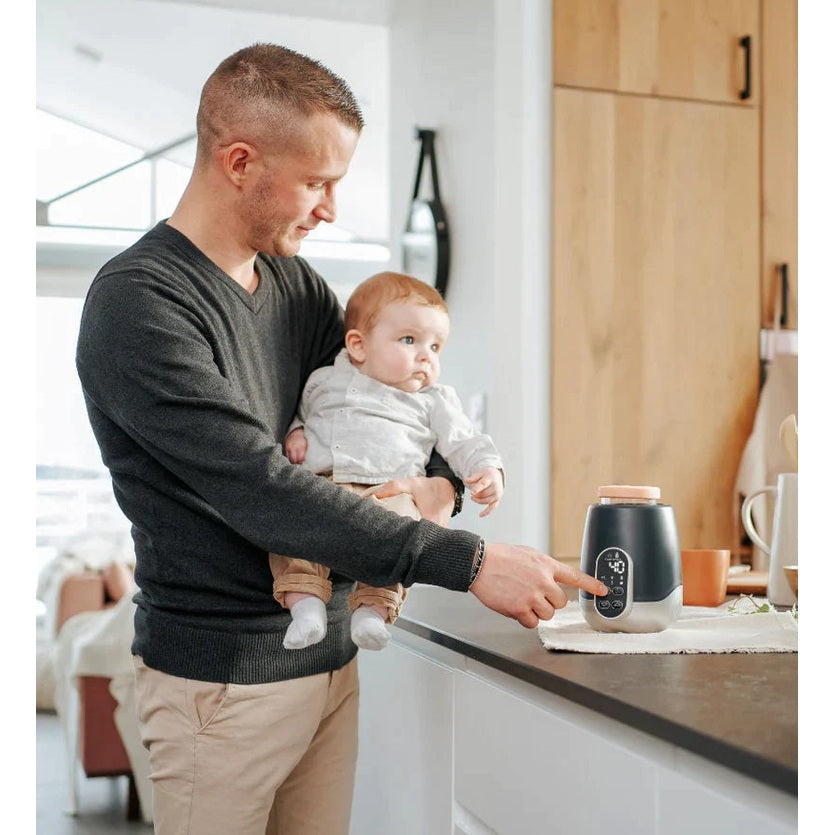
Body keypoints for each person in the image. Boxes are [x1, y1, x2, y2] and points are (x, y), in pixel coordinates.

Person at [75, 42, 607, 835]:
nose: (329, 208)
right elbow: (259, 487)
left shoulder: (294, 285)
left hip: (327, 665)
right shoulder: (140, 305)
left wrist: (444, 485)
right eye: (318, 181)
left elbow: (398, 409)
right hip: (220, 688)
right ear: (240, 161)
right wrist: (470, 558)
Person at [273, 271, 506, 652]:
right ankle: (305, 604)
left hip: (390, 490)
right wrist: (296, 432)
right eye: (410, 340)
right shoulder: (323, 380)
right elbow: (302, 413)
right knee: (293, 528)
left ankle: (373, 610)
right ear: (359, 346)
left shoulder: (434, 399)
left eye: (435, 347)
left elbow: (463, 438)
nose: (425, 357)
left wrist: (487, 468)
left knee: (401, 538)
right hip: (323, 483)